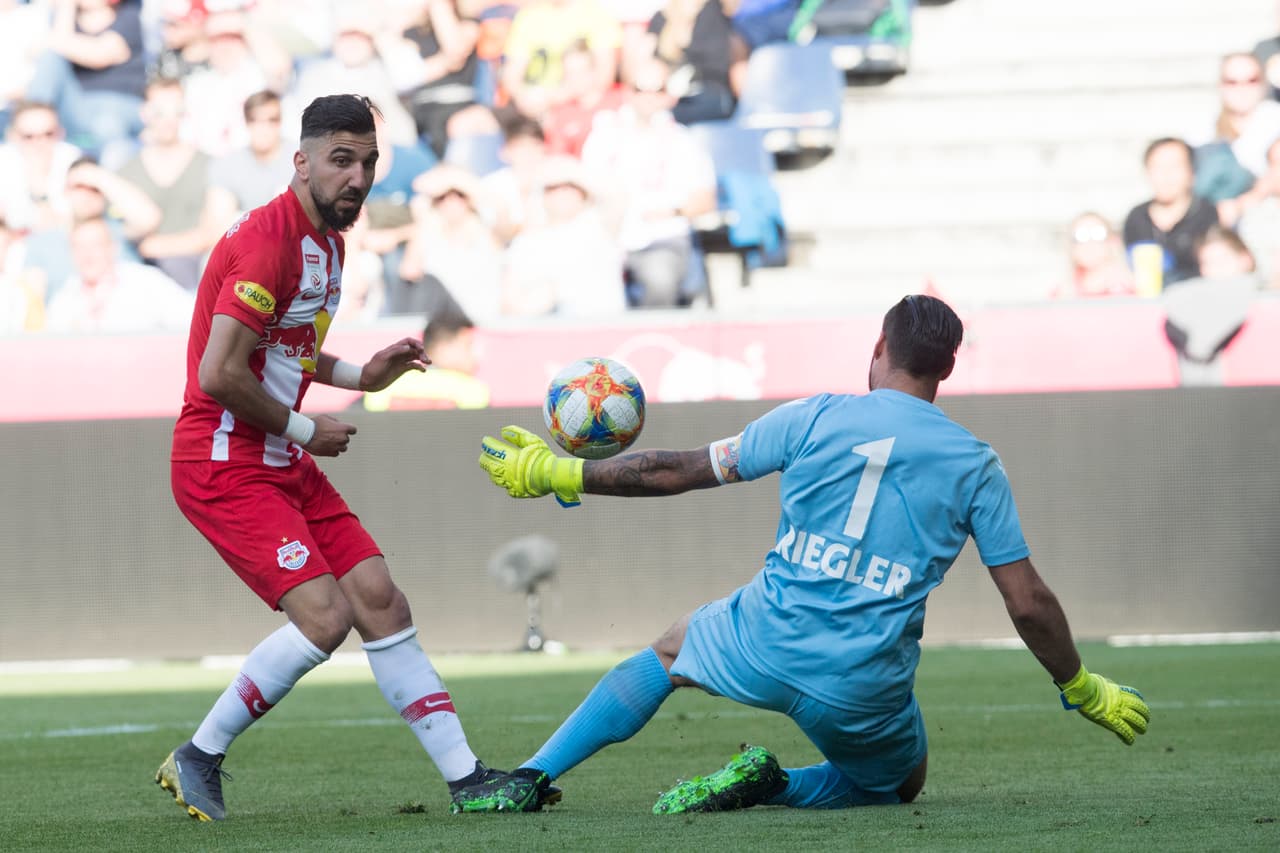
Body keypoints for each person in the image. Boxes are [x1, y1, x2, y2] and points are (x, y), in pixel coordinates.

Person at [455, 294, 1151, 814]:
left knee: (669, 653)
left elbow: (679, 469)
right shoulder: (975, 464)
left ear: (880, 347)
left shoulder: (813, 415)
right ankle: (777, 783)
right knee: (899, 784)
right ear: (948, 367)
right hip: (860, 681)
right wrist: (1079, 684)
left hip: (760, 636)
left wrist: (558, 473)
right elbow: (1026, 600)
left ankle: (529, 777)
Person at [155, 94, 550, 822]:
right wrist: (308, 429)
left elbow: (288, 347)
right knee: (326, 617)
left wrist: (360, 376)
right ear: (300, 161)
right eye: (342, 160)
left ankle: (468, 781)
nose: (358, 177)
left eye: (368, 162)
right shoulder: (264, 243)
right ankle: (199, 754)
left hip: (276, 451)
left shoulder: (328, 242)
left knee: (379, 598)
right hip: (222, 459)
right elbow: (219, 374)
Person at [43, 215, 193, 333]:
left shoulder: (146, 283)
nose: (86, 255)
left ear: (113, 248)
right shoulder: (64, 299)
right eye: (79, 247)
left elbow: (192, 320)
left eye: (95, 245)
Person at [1122, 137, 1219, 291]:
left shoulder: (1207, 215)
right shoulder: (1136, 218)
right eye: (1157, 167)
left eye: (1174, 166)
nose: (1166, 175)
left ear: (1191, 172)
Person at [1050, 212, 1136, 300]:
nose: (1090, 243)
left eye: (1098, 234)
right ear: (1072, 247)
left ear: (1112, 241)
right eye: (1081, 236)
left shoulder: (1132, 288)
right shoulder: (1061, 294)